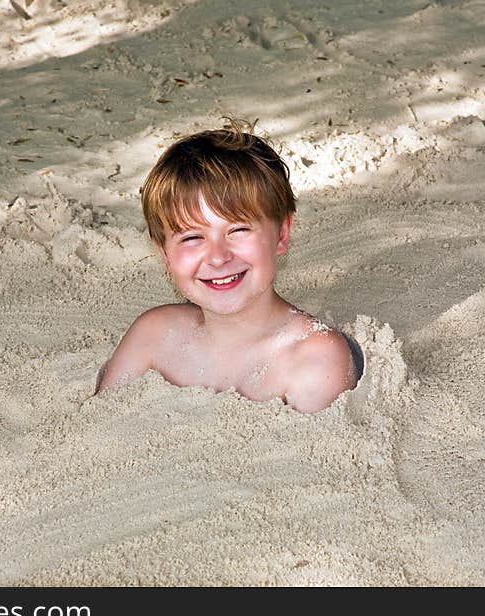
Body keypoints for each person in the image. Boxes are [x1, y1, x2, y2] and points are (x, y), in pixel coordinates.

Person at [95, 122, 360, 412]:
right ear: (166, 255)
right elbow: (99, 422)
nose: (218, 257)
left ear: (281, 235)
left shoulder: (315, 360)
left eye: (238, 231)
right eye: (193, 237)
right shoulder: (154, 336)